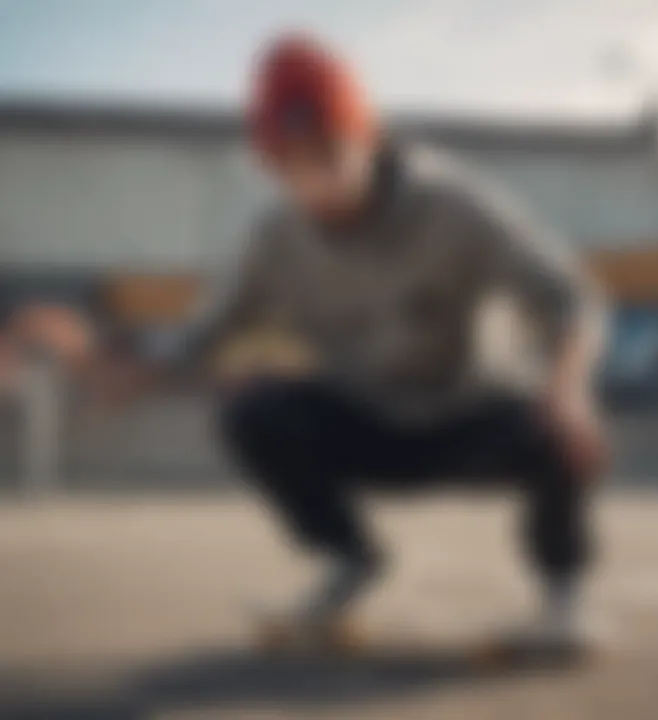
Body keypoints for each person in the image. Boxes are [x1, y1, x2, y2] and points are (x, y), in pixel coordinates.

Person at [119, 34, 608, 652]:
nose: (312, 184)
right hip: (366, 422)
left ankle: (564, 600)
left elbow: (572, 300)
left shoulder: (453, 205)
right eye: (286, 167)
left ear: (367, 139)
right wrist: (139, 364)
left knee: (561, 434)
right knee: (254, 412)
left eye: (326, 156)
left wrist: (568, 393)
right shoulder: (274, 236)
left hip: (471, 416)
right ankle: (347, 562)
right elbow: (209, 332)